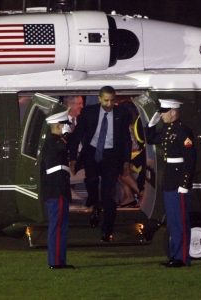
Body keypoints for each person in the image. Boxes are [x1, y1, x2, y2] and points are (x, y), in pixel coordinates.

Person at [69, 86, 132, 242]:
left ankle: (107, 230)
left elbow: (125, 139)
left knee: (107, 193)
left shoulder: (121, 114)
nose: (109, 104)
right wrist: (73, 158)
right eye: (106, 100)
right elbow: (77, 135)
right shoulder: (89, 112)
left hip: (112, 156)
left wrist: (127, 160)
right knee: (91, 181)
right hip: (92, 152)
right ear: (99, 98)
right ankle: (95, 204)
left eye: (112, 100)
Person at [146, 99, 197, 268]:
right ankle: (175, 256)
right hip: (169, 182)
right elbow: (152, 139)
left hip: (179, 183)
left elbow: (189, 160)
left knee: (181, 221)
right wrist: (151, 125)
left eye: (164, 111)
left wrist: (185, 183)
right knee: (173, 222)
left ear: (174, 112)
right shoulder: (168, 130)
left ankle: (182, 258)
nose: (161, 114)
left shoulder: (183, 131)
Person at [40, 109, 75, 269]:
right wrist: (66, 136)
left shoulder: (54, 141)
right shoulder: (52, 142)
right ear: (58, 125)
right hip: (56, 189)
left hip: (58, 189)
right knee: (58, 226)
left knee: (61, 226)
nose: (68, 127)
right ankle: (56, 262)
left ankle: (59, 261)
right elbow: (60, 149)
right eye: (66, 124)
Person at [62, 95, 85, 201]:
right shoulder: (60, 122)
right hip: (66, 160)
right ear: (69, 105)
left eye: (82, 103)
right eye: (79, 103)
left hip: (83, 158)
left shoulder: (83, 119)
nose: (82, 106)